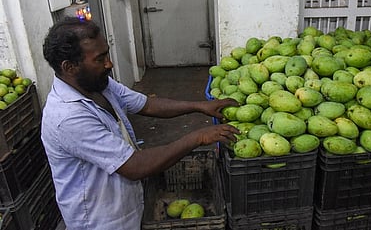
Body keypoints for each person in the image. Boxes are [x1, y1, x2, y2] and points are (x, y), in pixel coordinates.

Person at [41, 16, 239, 230]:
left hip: (126, 205)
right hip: (101, 221)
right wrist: (198, 137)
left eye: (107, 53)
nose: (109, 63)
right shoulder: (67, 116)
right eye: (100, 59)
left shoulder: (99, 85)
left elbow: (146, 105)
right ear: (69, 67)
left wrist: (199, 106)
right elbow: (134, 166)